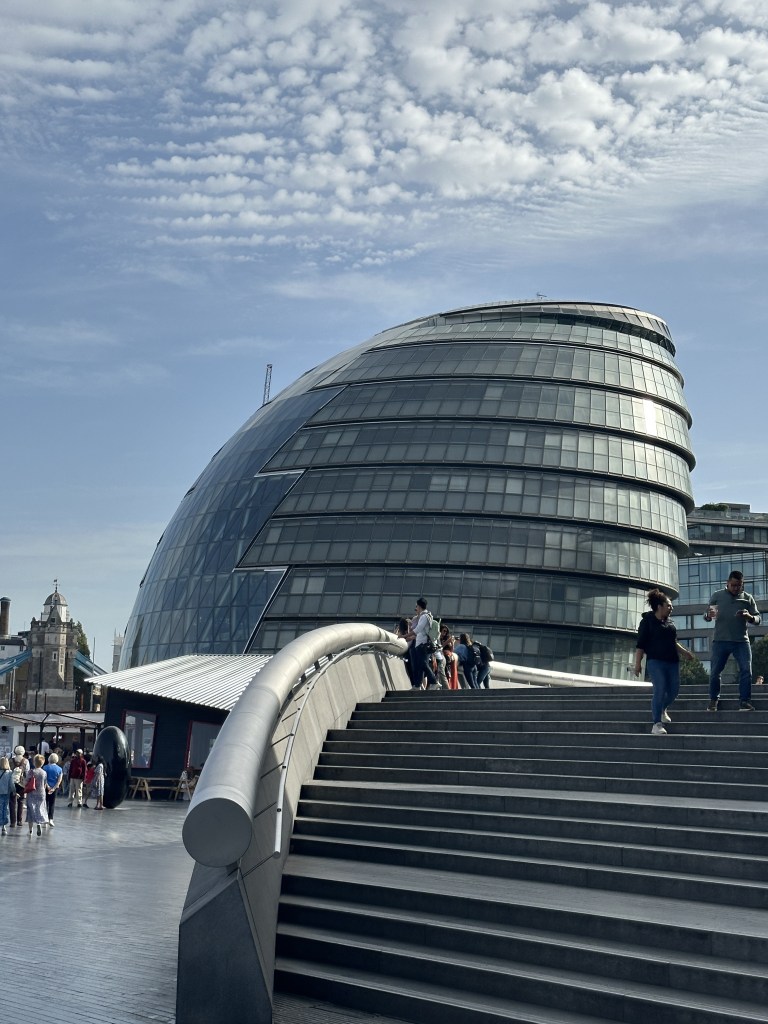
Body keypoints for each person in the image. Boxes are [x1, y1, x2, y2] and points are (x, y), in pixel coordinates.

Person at [634, 589, 694, 735]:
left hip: (672, 661)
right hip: (655, 662)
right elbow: (640, 645)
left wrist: (685, 652)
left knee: (674, 691)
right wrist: (637, 664)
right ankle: (656, 724)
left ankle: (662, 708)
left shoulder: (670, 623)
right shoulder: (647, 622)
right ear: (659, 606)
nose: (671, 608)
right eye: (668, 605)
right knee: (660, 689)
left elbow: (673, 642)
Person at [704, 570, 761, 711]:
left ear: (742, 584)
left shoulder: (748, 598)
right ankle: (713, 700)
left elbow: (758, 619)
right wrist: (708, 615)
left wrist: (749, 617)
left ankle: (744, 701)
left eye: (739, 585)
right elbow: (708, 616)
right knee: (715, 671)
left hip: (741, 641)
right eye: (733, 585)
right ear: (727, 583)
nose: (736, 588)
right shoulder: (717, 596)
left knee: (746, 670)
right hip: (720, 640)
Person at [408, 598, 437, 690]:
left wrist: (405, 635)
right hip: (422, 643)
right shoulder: (426, 616)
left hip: (422, 644)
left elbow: (418, 629)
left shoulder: (424, 616)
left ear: (419, 606)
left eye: (416, 606)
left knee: (423, 663)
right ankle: (417, 685)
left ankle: (434, 682)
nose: (416, 608)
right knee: (421, 665)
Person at [25, 754, 49, 836]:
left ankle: (30, 831)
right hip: (41, 792)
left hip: (32, 792)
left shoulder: (31, 772)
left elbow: (26, 782)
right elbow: (45, 784)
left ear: (34, 762)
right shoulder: (44, 772)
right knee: (39, 809)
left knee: (31, 810)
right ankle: (39, 823)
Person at [9, 745, 29, 828]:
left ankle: (12, 822)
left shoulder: (10, 760)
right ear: (23, 752)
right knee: (21, 802)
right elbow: (27, 773)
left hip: (12, 782)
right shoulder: (25, 761)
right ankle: (19, 820)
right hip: (21, 783)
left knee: (12, 802)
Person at [43, 753, 63, 827]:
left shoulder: (45, 767)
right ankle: (50, 819)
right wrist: (54, 788)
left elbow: (44, 779)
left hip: (46, 787)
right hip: (54, 788)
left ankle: (45, 819)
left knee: (45, 803)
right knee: (52, 803)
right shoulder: (59, 769)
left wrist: (48, 786)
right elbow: (59, 780)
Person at [0, 756, 13, 835]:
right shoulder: (9, 773)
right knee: (4, 809)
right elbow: (11, 784)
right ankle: (3, 827)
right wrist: (14, 791)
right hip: (5, 793)